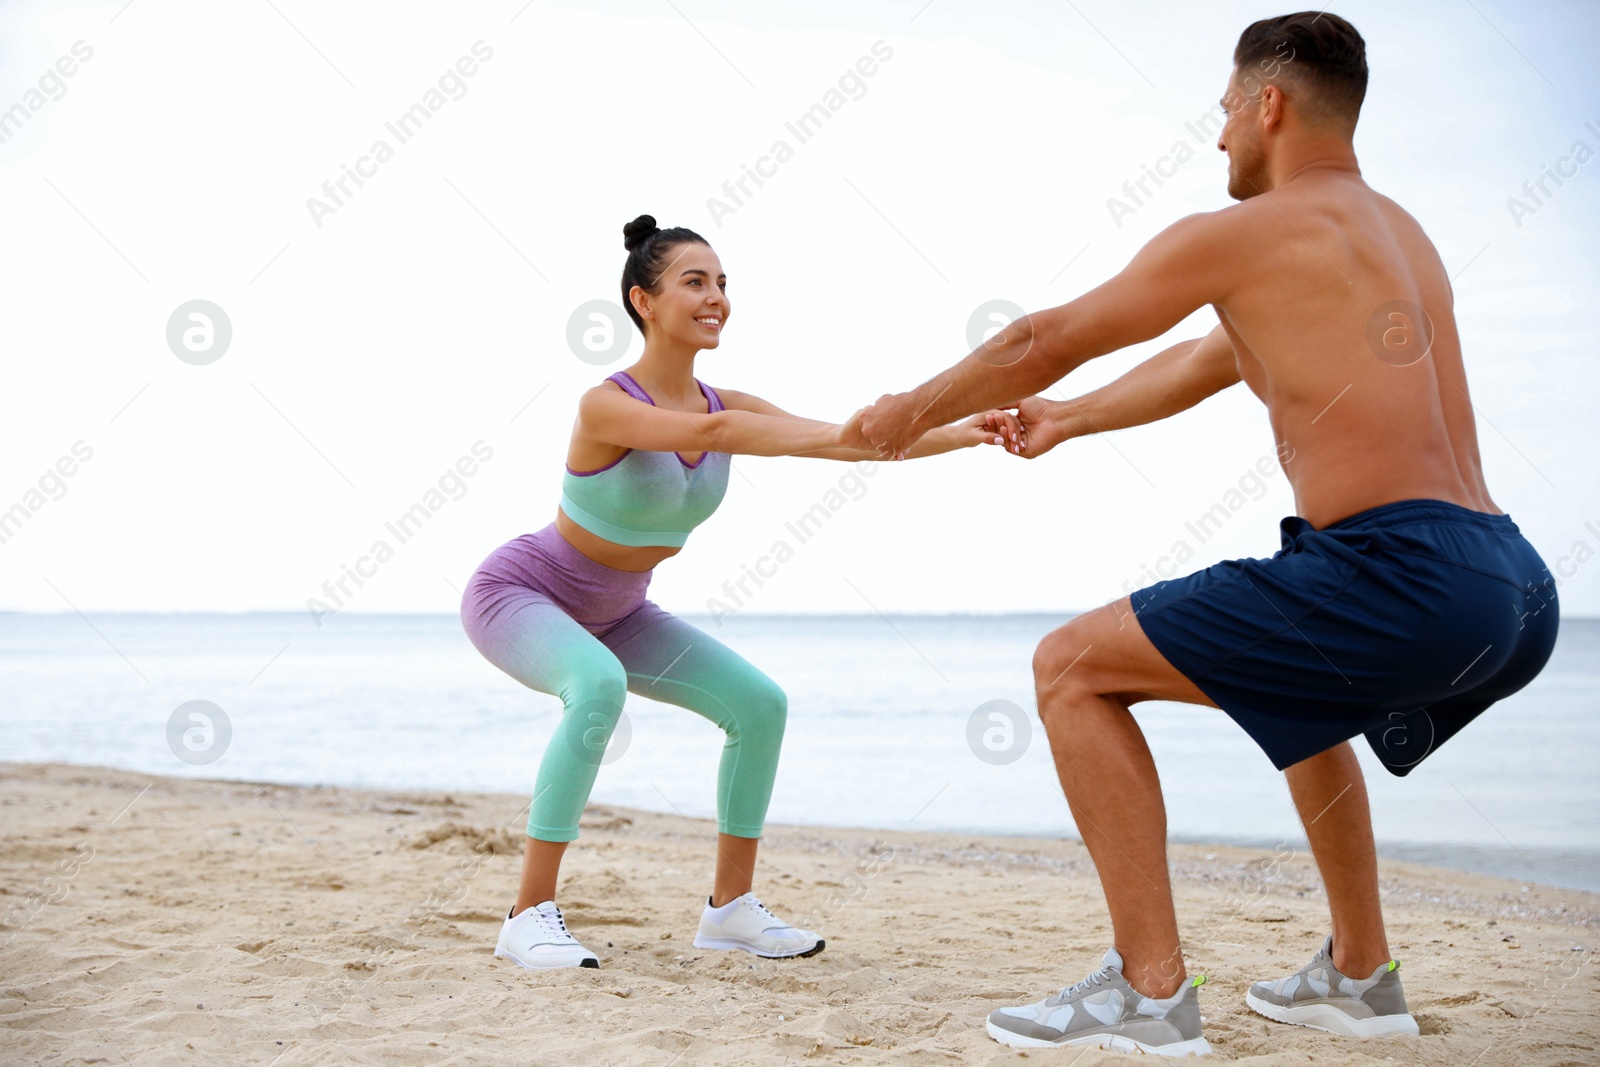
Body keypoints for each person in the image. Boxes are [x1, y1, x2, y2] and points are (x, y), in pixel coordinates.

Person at [860, 11, 1558, 1055]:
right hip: (1512, 585)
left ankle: (1147, 994)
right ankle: (1360, 975)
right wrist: (1073, 418)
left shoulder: (1240, 231)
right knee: (1300, 696)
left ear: (1266, 104)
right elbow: (1213, 357)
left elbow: (1036, 337)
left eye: (1225, 112)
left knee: (1070, 667)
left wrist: (899, 414)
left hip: (1402, 570)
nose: (1218, 137)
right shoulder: (1396, 234)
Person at [461, 214, 1005, 970]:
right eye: (695, 281)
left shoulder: (727, 402)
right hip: (523, 592)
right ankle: (527, 913)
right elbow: (729, 440)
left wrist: (964, 426)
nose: (715, 296)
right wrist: (836, 428)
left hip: (619, 611)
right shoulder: (605, 405)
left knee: (759, 704)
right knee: (596, 687)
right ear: (643, 301)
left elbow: (847, 439)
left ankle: (731, 911)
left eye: (722, 283)